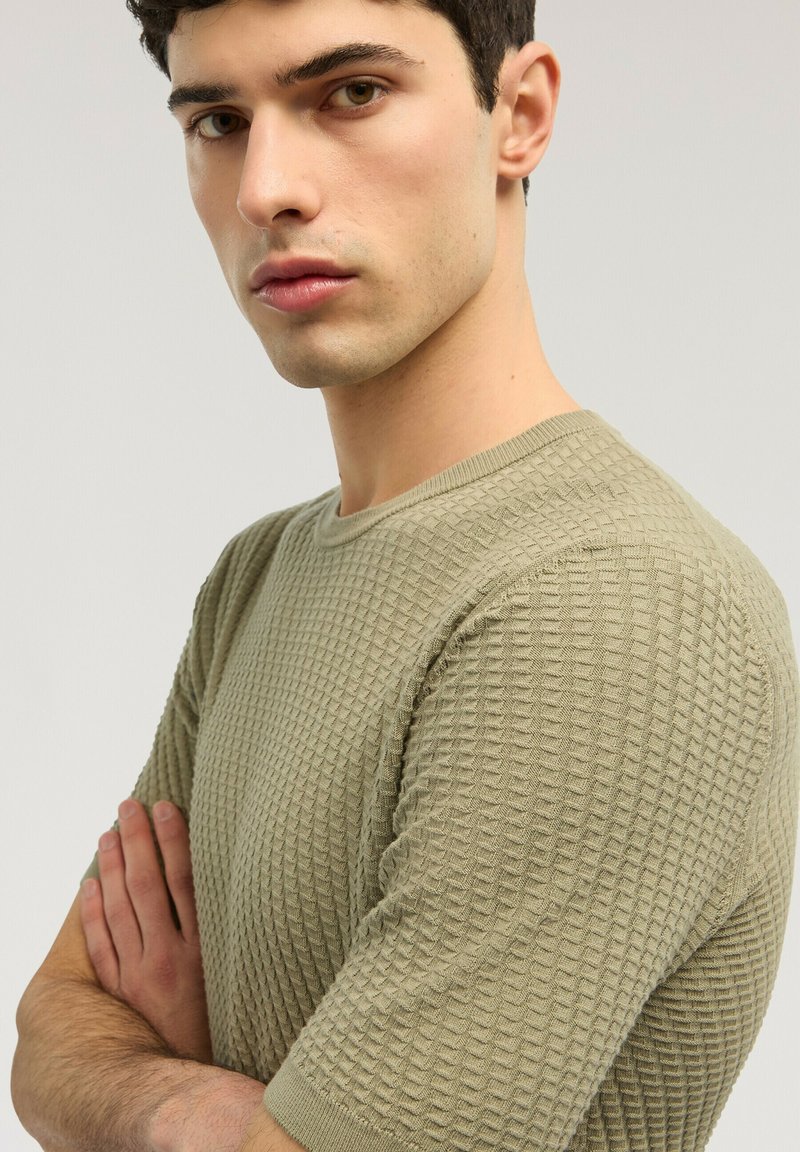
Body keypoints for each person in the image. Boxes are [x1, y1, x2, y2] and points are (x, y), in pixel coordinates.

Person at [11, 1, 799, 1150]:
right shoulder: (258, 575)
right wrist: (185, 1105)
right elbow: (49, 1032)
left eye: (351, 94)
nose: (265, 189)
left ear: (517, 114)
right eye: (218, 120)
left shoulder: (612, 603)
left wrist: (159, 1079)